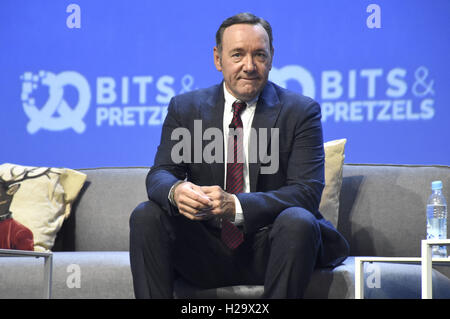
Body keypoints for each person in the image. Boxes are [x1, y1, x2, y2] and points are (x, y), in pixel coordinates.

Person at [129, 12, 349, 299]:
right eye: (237, 55)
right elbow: (160, 174)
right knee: (146, 215)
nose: (250, 66)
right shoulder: (185, 108)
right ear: (218, 59)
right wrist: (176, 191)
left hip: (271, 247)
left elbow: (306, 192)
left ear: (271, 57)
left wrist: (236, 205)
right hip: (205, 249)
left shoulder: (300, 111)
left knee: (298, 220)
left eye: (259, 55)